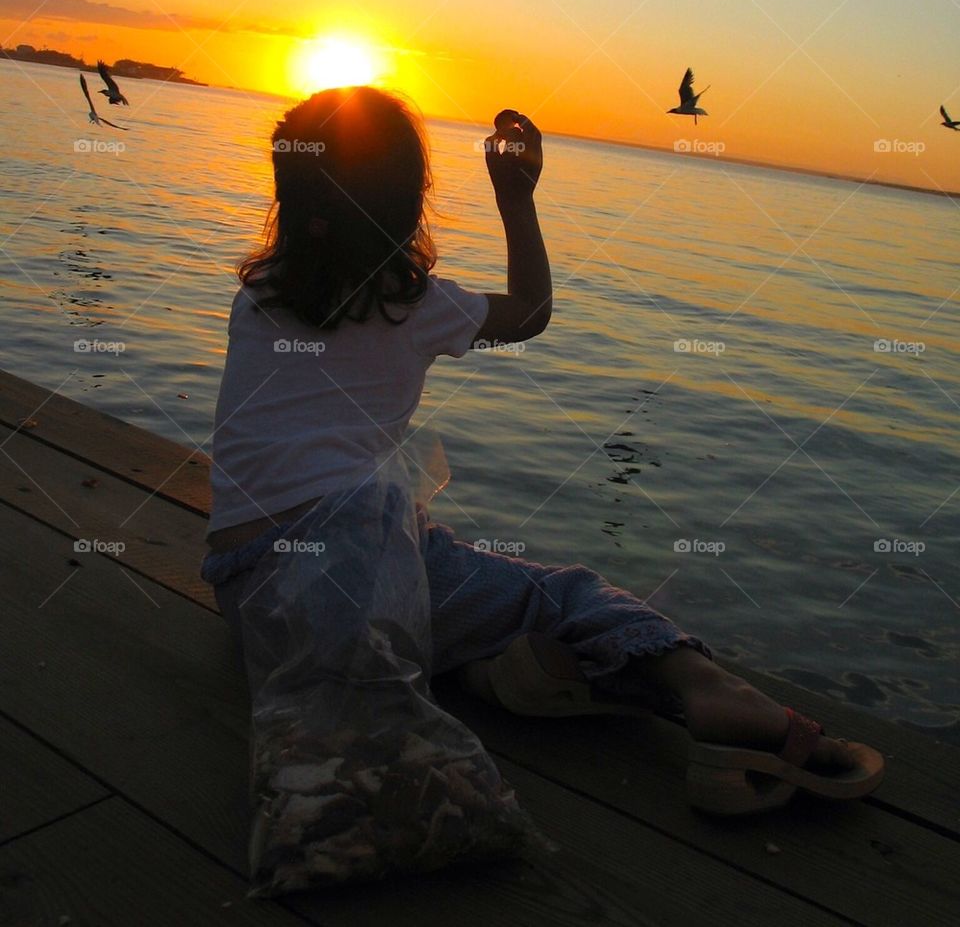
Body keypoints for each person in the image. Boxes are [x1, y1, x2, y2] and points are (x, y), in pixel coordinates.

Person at [201, 85, 883, 817]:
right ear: (411, 206)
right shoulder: (418, 304)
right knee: (566, 592)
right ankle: (723, 697)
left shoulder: (259, 294)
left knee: (433, 563)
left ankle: (501, 668)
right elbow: (531, 311)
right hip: (351, 579)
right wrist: (516, 195)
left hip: (247, 594)